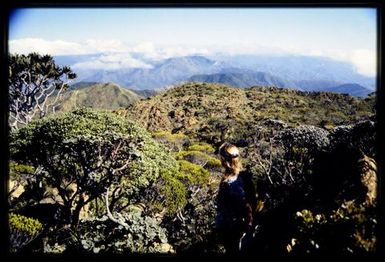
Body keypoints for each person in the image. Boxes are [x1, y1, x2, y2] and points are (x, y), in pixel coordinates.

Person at [215, 142, 257, 255]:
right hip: (240, 227)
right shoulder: (245, 176)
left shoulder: (230, 181)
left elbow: (245, 203)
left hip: (233, 229)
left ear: (224, 160)